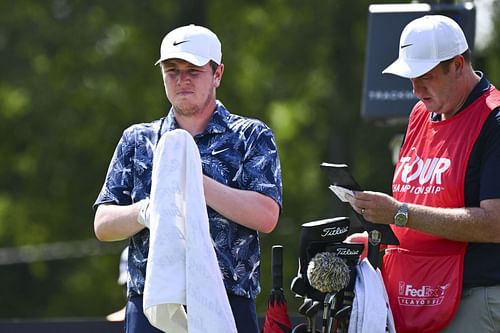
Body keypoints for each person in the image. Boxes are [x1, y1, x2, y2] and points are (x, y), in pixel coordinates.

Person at [93, 24, 282, 333]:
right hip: (151, 304)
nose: (182, 80)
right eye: (172, 70)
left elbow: (266, 215)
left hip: (228, 300)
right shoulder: (138, 139)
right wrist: (147, 210)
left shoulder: (250, 135)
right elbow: (103, 224)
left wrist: (192, 183)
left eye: (193, 70)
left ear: (218, 73)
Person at [347, 15, 500, 332]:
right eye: (410, 78)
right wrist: (381, 239)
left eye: (425, 77)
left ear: (458, 65)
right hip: (414, 295)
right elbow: (420, 203)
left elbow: (495, 223)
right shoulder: (421, 114)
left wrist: (399, 214)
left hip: (472, 296)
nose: (415, 90)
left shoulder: (494, 120)